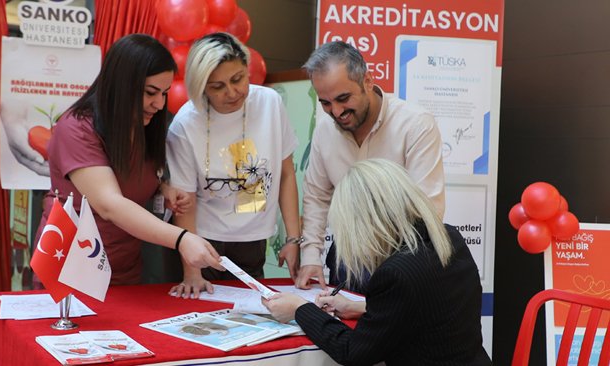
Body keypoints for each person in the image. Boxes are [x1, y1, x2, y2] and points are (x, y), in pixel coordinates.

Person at [34, 34, 222, 286]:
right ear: (122, 85)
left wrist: (163, 189)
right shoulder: (77, 128)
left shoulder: (146, 125)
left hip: (123, 266)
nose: (159, 104)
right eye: (151, 92)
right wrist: (181, 238)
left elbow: (135, 176)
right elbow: (109, 203)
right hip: (70, 263)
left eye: (165, 93)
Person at [264, 159, 491, 366]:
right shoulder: (448, 238)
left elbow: (354, 353)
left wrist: (299, 309)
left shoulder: (396, 274)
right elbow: (426, 309)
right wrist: (360, 308)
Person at [296, 41, 446, 292]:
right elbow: (317, 197)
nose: (336, 111)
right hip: (347, 261)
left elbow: (428, 209)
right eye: (325, 103)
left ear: (367, 80)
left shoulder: (415, 124)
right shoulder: (324, 130)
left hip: (403, 260)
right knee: (341, 331)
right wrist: (311, 256)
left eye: (343, 98)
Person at [166, 32, 301, 299]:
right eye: (218, 86)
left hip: (254, 239)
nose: (232, 92)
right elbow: (185, 200)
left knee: (252, 316)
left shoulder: (270, 103)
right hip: (203, 241)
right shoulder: (186, 124)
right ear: (201, 87)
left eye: (238, 79)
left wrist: (293, 238)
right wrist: (192, 271)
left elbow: (286, 174)